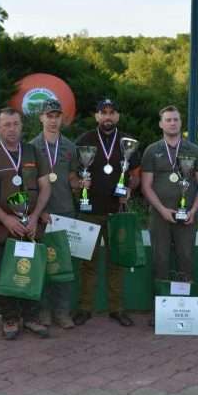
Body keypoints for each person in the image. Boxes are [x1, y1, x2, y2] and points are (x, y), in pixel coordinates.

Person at [0, 107, 52, 340]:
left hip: (30, 228)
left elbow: (46, 187)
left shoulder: (33, 152)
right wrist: (5, 218)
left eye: (16, 124)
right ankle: (9, 318)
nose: (11, 129)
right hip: (1, 228)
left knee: (32, 272)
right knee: (5, 274)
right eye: (6, 124)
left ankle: (31, 317)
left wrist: (35, 216)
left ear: (21, 126)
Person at [73, 98, 141, 327]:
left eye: (112, 112)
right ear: (97, 116)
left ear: (117, 116)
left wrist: (129, 189)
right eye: (104, 112)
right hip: (89, 210)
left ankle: (117, 309)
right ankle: (84, 308)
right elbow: (73, 172)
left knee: (117, 262)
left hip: (117, 212)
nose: (108, 117)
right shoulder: (84, 140)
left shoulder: (128, 142)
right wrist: (79, 184)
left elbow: (136, 174)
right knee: (87, 263)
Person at [140, 105, 198, 289]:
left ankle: (184, 303)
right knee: (160, 259)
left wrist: (194, 211)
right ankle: (161, 302)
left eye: (176, 119)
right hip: (159, 215)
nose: (172, 123)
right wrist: (162, 210)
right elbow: (146, 186)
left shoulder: (194, 151)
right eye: (168, 120)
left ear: (181, 123)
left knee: (186, 258)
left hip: (187, 215)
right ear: (161, 124)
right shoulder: (151, 150)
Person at [29, 99, 80, 329]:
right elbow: (30, 184)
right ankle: (43, 311)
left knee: (64, 265)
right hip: (41, 215)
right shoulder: (31, 147)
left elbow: (72, 179)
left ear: (62, 119)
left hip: (65, 212)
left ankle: (62, 311)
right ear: (41, 118)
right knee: (41, 263)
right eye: (49, 116)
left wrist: (81, 185)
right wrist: (39, 211)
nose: (53, 120)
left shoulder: (70, 147)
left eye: (57, 116)